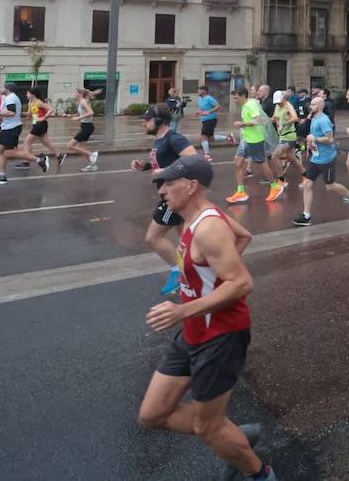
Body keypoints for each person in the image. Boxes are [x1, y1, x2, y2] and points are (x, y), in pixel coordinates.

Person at [137, 156, 275, 481]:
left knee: (206, 426)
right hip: (193, 329)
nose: (164, 191)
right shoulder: (193, 217)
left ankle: (259, 473)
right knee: (151, 414)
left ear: (192, 186)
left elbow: (242, 283)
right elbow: (243, 237)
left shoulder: (209, 227)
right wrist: (205, 275)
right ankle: (230, 436)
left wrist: (182, 309)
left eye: (171, 184)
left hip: (221, 335)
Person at [132, 106, 200, 296]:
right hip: (168, 193)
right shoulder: (159, 140)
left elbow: (194, 160)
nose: (144, 123)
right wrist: (145, 166)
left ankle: (179, 272)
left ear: (160, 121)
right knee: (185, 240)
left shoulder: (174, 138)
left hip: (176, 196)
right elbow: (162, 164)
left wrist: (166, 172)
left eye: (147, 119)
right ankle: (196, 274)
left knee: (153, 238)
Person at [294, 95, 349, 226]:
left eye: (312, 105)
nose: (310, 106)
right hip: (316, 158)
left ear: (319, 107)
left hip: (327, 159)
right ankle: (306, 215)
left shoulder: (323, 120)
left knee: (330, 186)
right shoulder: (314, 118)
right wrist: (311, 143)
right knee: (307, 184)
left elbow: (330, 139)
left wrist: (316, 139)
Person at [227, 87, 277, 206]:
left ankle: (275, 186)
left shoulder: (251, 105)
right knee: (237, 163)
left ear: (243, 96)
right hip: (246, 139)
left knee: (262, 164)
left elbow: (259, 120)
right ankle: (241, 192)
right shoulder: (245, 105)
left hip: (255, 140)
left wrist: (242, 124)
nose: (235, 100)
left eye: (236, 98)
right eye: (233, 98)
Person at [0, 84, 44, 187]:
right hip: (6, 127)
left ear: (8, 89)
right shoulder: (8, 97)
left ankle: (39, 160)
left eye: (2, 87)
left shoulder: (11, 98)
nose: (0, 88)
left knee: (10, 153)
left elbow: (11, 112)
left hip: (11, 128)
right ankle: (1, 176)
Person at [267, 91, 300, 202]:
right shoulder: (278, 106)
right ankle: (305, 174)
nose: (278, 104)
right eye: (277, 102)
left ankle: (281, 180)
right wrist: (264, 120)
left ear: (284, 98)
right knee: (292, 158)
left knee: (274, 156)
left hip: (290, 136)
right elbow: (275, 118)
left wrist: (284, 123)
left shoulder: (288, 106)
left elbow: (295, 118)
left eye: (280, 101)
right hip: (282, 136)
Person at [61, 87, 102, 172]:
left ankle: (92, 154)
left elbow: (91, 112)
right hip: (85, 126)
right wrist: (70, 115)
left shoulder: (83, 101)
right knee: (80, 148)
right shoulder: (81, 102)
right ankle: (92, 165)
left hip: (87, 127)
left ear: (80, 94)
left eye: (75, 92)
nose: (74, 94)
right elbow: (81, 113)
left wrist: (78, 118)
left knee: (70, 146)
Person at [22, 89, 63, 162]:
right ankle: (59, 155)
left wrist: (44, 117)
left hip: (40, 124)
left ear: (33, 94)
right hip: (36, 124)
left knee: (27, 142)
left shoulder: (39, 102)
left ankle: (26, 162)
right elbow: (29, 114)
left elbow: (51, 109)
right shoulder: (31, 102)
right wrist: (19, 112)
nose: (26, 95)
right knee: (46, 142)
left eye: (28, 93)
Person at [194, 86, 220, 163]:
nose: (198, 92)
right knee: (210, 138)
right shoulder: (199, 99)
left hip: (211, 119)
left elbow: (218, 106)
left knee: (203, 137)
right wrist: (199, 113)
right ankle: (228, 137)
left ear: (204, 91)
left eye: (199, 90)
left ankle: (207, 155)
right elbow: (203, 109)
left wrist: (209, 112)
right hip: (204, 120)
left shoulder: (209, 98)